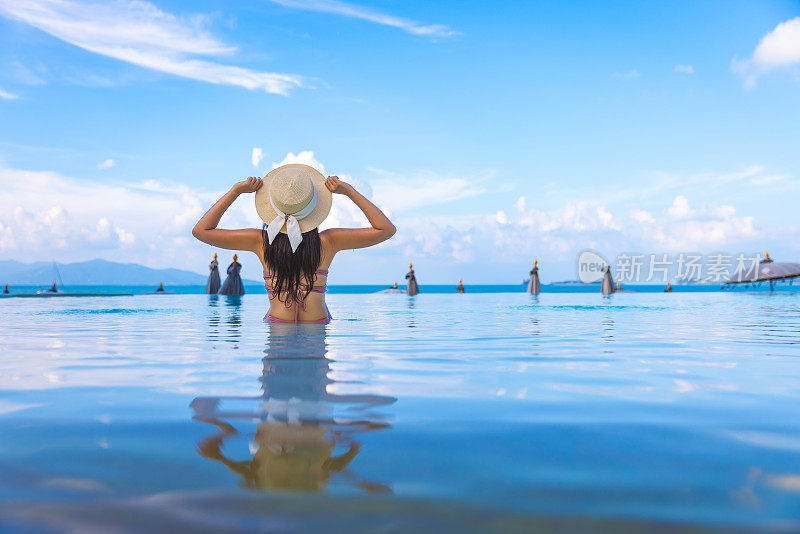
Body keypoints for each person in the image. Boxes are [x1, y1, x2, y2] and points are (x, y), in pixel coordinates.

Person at [192, 164, 395, 323]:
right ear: (314, 209)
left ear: (273, 208)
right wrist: (350, 192)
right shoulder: (329, 241)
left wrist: (236, 191)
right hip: (318, 324)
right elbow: (386, 229)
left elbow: (201, 231)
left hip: (277, 325)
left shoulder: (261, 242)